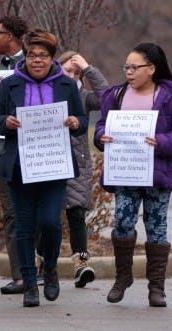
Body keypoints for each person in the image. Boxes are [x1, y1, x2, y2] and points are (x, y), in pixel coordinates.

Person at [0, 29, 87, 308]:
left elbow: (82, 118)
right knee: (24, 225)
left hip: (54, 164)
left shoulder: (66, 85)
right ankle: (30, 283)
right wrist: (5, 121)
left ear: (52, 58)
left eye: (43, 56)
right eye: (32, 55)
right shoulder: (10, 85)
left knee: (50, 222)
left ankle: (51, 268)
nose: (37, 61)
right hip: (20, 165)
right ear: (26, 57)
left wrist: (75, 123)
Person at [94, 42, 172, 308]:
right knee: (123, 224)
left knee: (157, 229)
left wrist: (162, 141)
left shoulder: (170, 95)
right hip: (126, 173)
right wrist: (100, 135)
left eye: (134, 67)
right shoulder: (117, 95)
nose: (129, 72)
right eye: (126, 67)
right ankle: (123, 277)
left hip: (158, 175)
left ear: (151, 69)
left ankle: (156, 288)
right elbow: (103, 123)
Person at [0, 15, 29, 295]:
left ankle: (45, 266)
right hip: (2, 151)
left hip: (35, 150)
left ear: (10, 36)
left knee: (39, 216)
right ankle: (21, 275)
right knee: (11, 214)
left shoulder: (35, 66)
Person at [57, 50, 109, 288]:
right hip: (48, 161)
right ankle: (40, 264)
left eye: (77, 73)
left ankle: (82, 264)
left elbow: (107, 98)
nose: (72, 75)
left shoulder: (84, 97)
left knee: (77, 215)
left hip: (77, 164)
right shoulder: (46, 93)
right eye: (68, 70)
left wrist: (89, 69)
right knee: (47, 218)